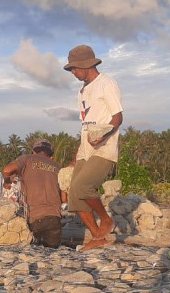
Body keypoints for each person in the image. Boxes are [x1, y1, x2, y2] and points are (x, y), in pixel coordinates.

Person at [63, 44, 123, 251]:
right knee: (74, 194)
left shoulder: (107, 83)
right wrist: (76, 157)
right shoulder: (82, 91)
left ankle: (106, 219)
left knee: (83, 187)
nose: (72, 72)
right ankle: (98, 237)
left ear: (86, 65)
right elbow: (85, 125)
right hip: (85, 149)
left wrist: (103, 136)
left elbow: (118, 117)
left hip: (104, 147)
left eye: (74, 68)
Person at [2, 140, 63, 248]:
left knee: (34, 253)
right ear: (50, 155)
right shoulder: (58, 167)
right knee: (52, 253)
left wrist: (7, 182)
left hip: (34, 217)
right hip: (55, 218)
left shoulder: (27, 159)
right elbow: (64, 198)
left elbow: (7, 170)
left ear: (34, 151)